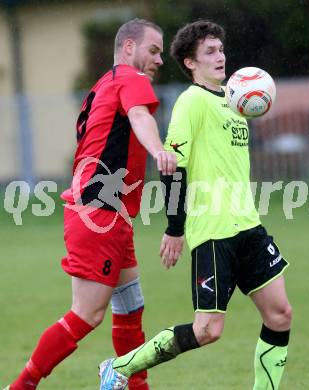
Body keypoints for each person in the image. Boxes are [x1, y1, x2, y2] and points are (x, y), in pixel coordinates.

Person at [97, 20, 292, 390]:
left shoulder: (236, 105)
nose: (221, 57)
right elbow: (174, 168)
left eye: (221, 50)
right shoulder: (192, 101)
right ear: (190, 63)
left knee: (280, 314)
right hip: (214, 232)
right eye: (210, 52)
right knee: (207, 330)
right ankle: (120, 367)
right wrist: (175, 228)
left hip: (248, 226)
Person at [3, 18, 177, 390]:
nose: (159, 59)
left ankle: (135, 384)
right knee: (87, 314)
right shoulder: (131, 80)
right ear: (128, 47)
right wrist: (158, 149)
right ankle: (21, 386)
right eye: (153, 50)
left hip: (107, 211)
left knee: (130, 310)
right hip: (99, 211)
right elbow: (139, 116)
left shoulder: (103, 85)